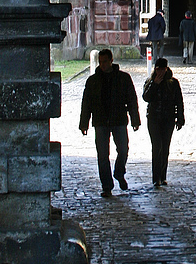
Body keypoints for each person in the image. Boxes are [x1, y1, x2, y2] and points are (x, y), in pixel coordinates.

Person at [79, 47, 140, 196]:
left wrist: (135, 119)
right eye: (100, 62)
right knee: (102, 155)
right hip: (100, 121)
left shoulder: (123, 78)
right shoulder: (93, 81)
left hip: (118, 119)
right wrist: (84, 123)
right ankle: (106, 186)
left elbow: (131, 99)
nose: (103, 65)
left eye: (105, 61)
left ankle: (119, 172)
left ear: (111, 60)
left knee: (123, 150)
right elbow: (86, 103)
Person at [142, 57, 184, 188]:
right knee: (156, 147)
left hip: (168, 119)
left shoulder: (173, 83)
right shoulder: (150, 81)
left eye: (162, 69)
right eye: (158, 69)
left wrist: (180, 118)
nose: (160, 71)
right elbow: (146, 97)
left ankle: (163, 176)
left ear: (166, 69)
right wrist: (154, 84)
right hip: (153, 118)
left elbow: (179, 101)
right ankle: (156, 178)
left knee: (165, 147)